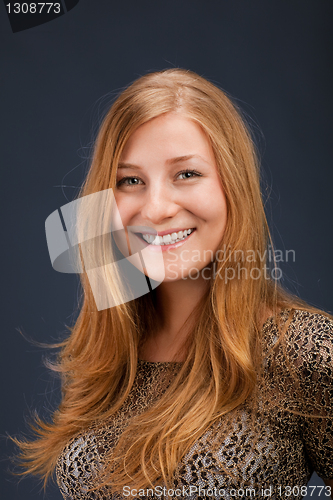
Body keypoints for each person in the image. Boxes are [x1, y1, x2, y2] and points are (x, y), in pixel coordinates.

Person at [16, 69, 333, 499]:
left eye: (186, 174)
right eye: (131, 181)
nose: (157, 208)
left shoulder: (304, 351)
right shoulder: (112, 350)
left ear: (232, 186)